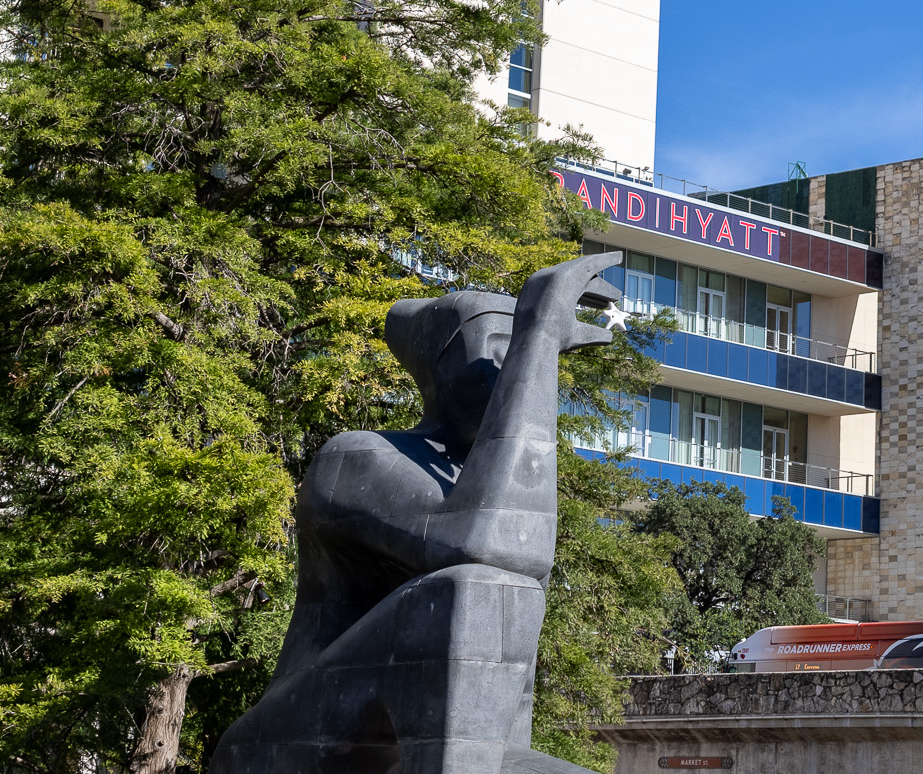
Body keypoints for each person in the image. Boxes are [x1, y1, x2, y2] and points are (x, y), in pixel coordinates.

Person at [213, 252, 623, 774]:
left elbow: (519, 548)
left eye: (525, 356)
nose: (516, 371)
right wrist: (538, 337)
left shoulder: (493, 483)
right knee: (478, 586)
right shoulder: (354, 457)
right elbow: (486, 546)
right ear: (439, 367)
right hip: (296, 740)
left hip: (462, 748)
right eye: (501, 350)